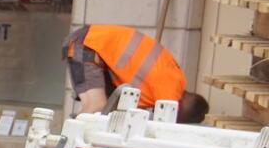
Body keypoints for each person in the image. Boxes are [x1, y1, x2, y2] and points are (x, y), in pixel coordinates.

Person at [65, 23, 207, 123]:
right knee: (95, 106)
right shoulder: (169, 95)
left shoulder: (173, 80)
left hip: (93, 45)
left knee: (104, 112)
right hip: (89, 44)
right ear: (179, 113)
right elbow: (162, 126)